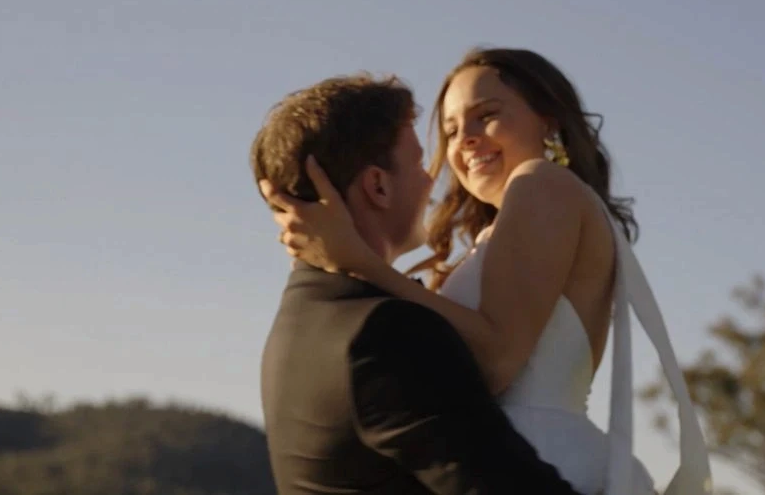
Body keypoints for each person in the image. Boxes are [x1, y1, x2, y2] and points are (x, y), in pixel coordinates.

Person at [264, 48, 711, 495]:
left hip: (535, 458)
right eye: (452, 130)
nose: (466, 140)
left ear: (548, 120)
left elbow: (498, 362)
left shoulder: (542, 182)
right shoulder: (505, 230)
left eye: (486, 116)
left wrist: (358, 263)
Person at [251, 73, 588, 495]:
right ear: (378, 185)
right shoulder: (388, 332)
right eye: (417, 162)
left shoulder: (298, 323)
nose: (432, 178)